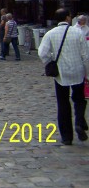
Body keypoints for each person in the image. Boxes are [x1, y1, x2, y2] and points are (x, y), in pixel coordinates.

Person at [38, 8, 89, 145]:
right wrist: (87, 73)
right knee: (79, 100)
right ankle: (79, 122)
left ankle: (67, 137)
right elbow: (85, 55)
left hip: (61, 73)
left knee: (63, 103)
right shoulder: (77, 32)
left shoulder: (50, 34)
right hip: (77, 71)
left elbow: (42, 53)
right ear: (67, 18)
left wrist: (50, 61)